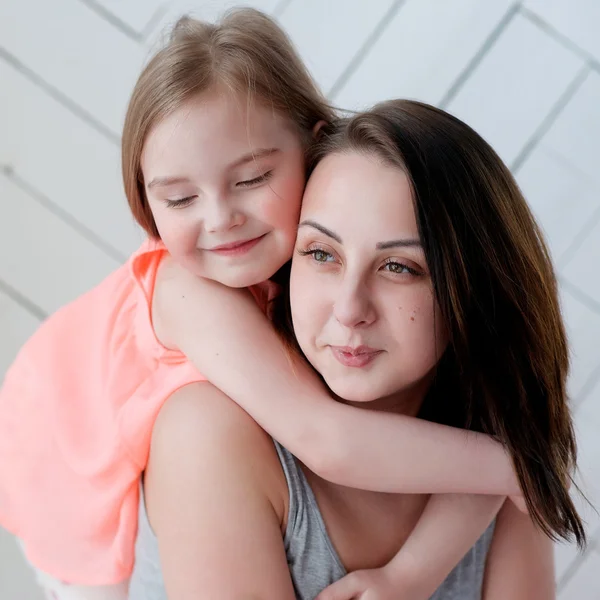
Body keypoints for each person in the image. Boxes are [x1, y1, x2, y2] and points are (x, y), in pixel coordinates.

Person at [0, 9, 579, 600]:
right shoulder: (191, 294)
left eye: (251, 180)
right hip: (59, 476)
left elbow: (494, 474)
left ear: (312, 144)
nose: (221, 219)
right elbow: (326, 438)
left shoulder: (291, 251)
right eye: (179, 198)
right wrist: (520, 465)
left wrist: (414, 571)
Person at [130, 100, 582, 600]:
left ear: (474, 294)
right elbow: (328, 440)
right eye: (322, 254)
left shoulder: (499, 442)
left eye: (399, 267)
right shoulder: (212, 434)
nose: (349, 309)